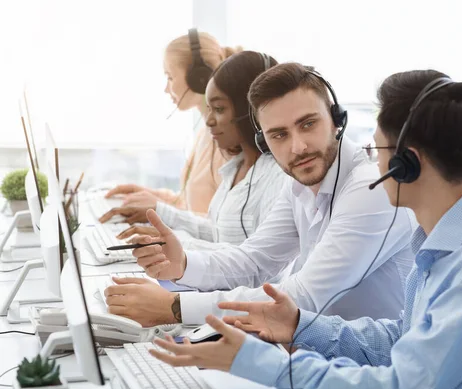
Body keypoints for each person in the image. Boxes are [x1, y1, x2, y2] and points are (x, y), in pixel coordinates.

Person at [148, 70, 462, 389]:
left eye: (379, 145)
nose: (373, 157)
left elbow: (402, 388)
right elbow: (399, 341)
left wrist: (255, 361)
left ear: (407, 164)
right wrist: (298, 324)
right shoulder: (441, 244)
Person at [122, 63, 416, 327]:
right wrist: (183, 264)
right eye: (279, 135)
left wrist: (176, 307)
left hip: (368, 368)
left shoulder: (371, 188)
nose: (297, 147)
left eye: (308, 124)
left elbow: (303, 297)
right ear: (264, 142)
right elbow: (255, 261)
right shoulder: (299, 184)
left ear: (336, 120)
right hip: (313, 353)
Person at [104, 51, 290, 326]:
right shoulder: (234, 168)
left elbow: (257, 266)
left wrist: (178, 250)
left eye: (219, 109)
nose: (209, 120)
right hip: (212, 294)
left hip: (233, 311)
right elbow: (217, 231)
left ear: (249, 110)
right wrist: (163, 220)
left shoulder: (277, 178)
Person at [101, 29, 237, 222]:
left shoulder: (227, 144)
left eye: (170, 77)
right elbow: (189, 205)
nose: (166, 88)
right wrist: (151, 195)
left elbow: (222, 227)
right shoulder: (205, 133)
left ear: (199, 78)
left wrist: (159, 209)